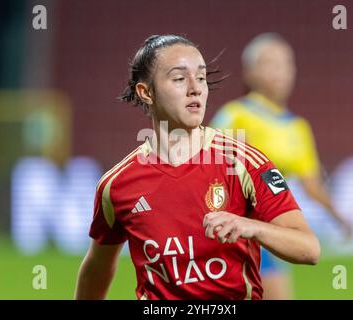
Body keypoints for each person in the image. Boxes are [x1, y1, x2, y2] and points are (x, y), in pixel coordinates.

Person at [75, 34, 320, 300]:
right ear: (146, 92)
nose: (195, 88)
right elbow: (96, 270)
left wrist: (251, 227)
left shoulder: (245, 163)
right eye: (179, 79)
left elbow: (308, 249)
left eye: (201, 78)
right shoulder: (117, 185)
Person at [210, 33, 352, 300]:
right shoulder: (237, 114)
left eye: (286, 64)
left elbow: (311, 184)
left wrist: (339, 217)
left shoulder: (298, 127)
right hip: (235, 228)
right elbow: (205, 160)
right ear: (250, 72)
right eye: (270, 64)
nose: (280, 72)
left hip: (272, 228)